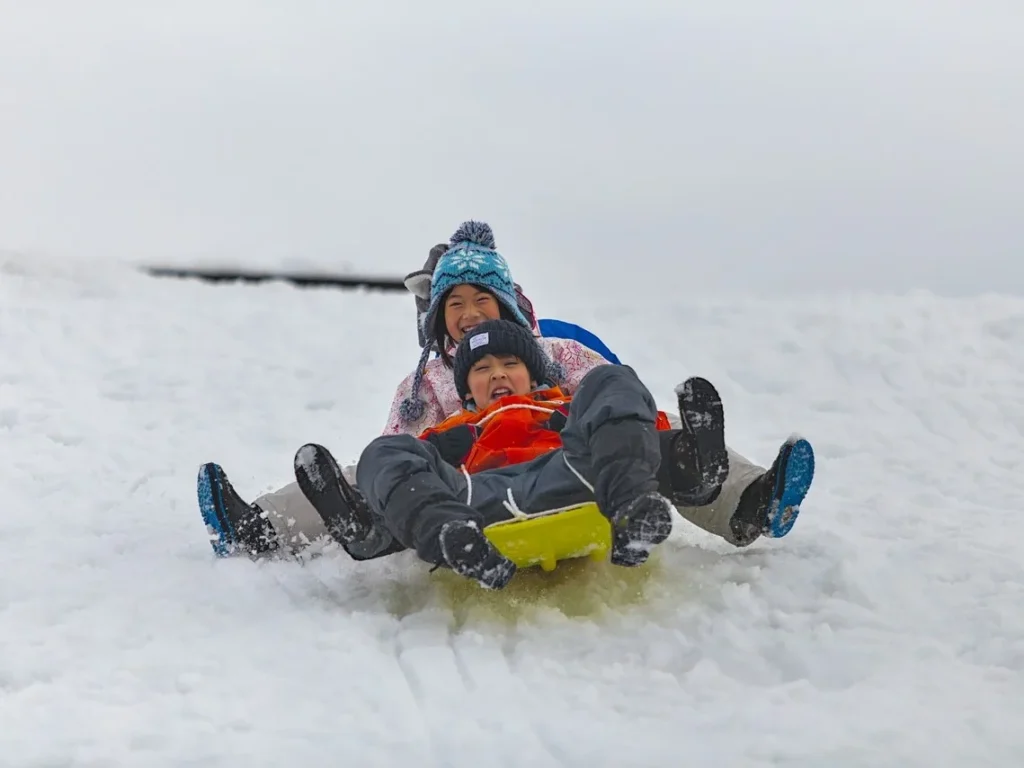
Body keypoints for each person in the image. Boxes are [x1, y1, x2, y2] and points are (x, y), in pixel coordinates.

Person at [197, 219, 814, 562]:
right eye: (452, 305)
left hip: (576, 464)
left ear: (508, 304)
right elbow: (401, 452)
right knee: (370, 468)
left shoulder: (560, 352)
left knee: (664, 436)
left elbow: (624, 413)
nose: (467, 315)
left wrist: (658, 450)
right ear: (435, 317)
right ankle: (263, 529)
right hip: (477, 479)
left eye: (480, 301)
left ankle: (746, 500)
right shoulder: (429, 385)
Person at [293, 320, 736, 588]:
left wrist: (672, 449)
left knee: (613, 381)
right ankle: (417, 535)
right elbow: (408, 470)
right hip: (476, 502)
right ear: (467, 391)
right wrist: (405, 472)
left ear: (531, 374)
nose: (498, 374)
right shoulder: (456, 429)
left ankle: (660, 492)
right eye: (482, 370)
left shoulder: (564, 408)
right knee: (385, 452)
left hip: (574, 477)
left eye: (510, 364)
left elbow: (631, 429)